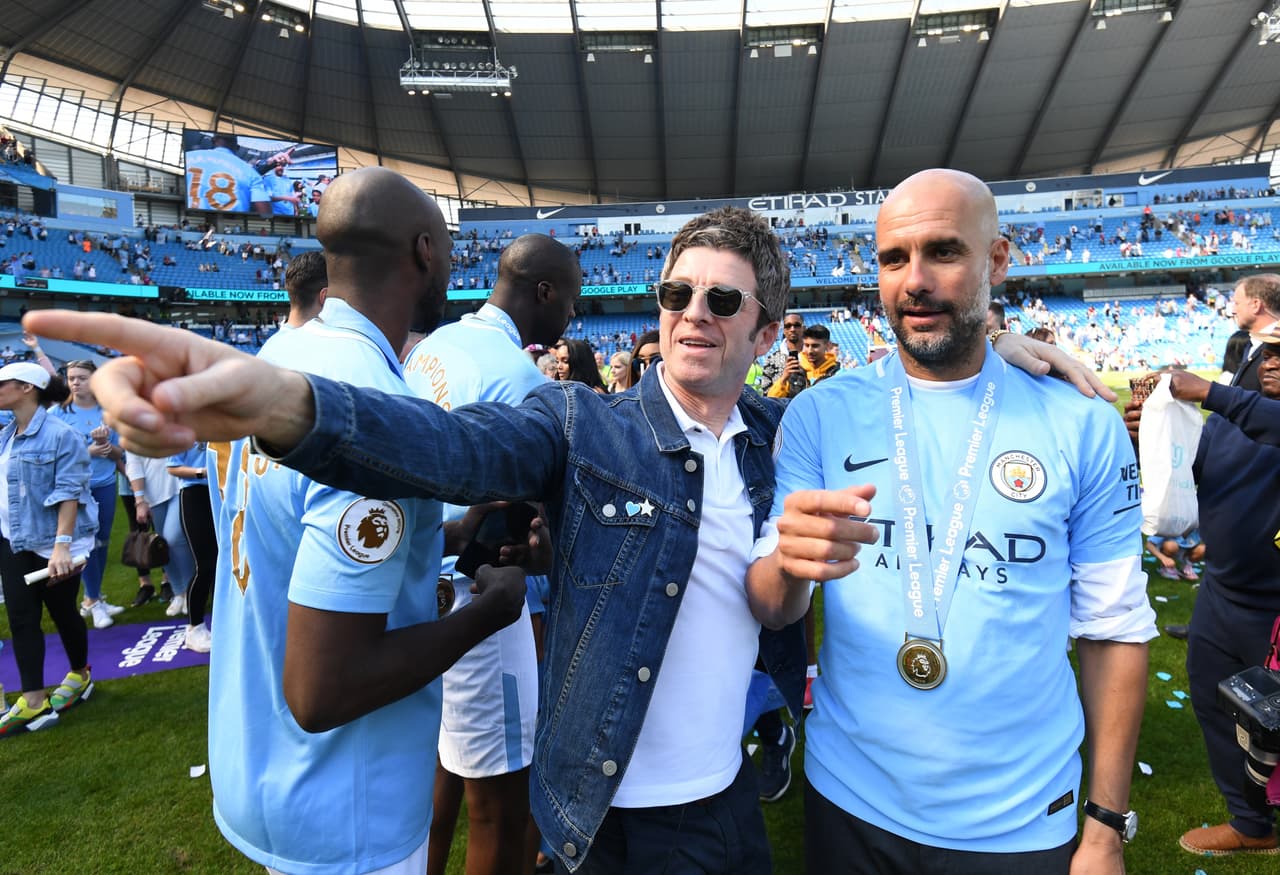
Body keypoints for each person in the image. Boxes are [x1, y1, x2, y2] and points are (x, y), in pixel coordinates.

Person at [28, 202, 1114, 872]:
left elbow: (923, 386)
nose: (691, 310)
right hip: (598, 818)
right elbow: (445, 450)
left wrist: (1012, 340)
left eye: (720, 298)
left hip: (726, 810)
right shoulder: (577, 424)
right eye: (672, 290)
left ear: (766, 329)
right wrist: (281, 397)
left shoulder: (796, 432)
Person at [746, 169, 1156, 874]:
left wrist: (1106, 827)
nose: (915, 280)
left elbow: (1114, 629)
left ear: (997, 259)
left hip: (1022, 819)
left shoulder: (1081, 422)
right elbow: (773, 607)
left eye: (943, 251)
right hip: (849, 801)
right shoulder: (820, 414)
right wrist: (787, 560)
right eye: (893, 259)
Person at [219, 167, 530, 874]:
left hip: (266, 771)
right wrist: (489, 612)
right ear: (424, 251)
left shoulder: (280, 359)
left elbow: (291, 541)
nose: (454, 265)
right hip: (347, 801)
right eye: (448, 248)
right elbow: (326, 685)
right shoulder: (373, 412)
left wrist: (442, 536)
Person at [403, 233, 580, 875]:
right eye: (572, 296)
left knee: (449, 767)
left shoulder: (439, 344)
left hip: (421, 581)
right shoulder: (519, 379)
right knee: (501, 811)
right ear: (544, 291)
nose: (572, 314)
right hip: (482, 599)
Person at [1124, 335, 1280, 856]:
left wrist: (1213, 394)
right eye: (1270, 354)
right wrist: (1143, 435)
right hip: (1223, 592)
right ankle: (1250, 823)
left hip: (1274, 605)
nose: (1275, 363)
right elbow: (1187, 477)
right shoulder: (1229, 417)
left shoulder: (1234, 404)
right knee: (1218, 702)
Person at [0, 362, 99, 737]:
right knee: (21, 618)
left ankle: (80, 673)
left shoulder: (61, 435)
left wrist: (61, 546)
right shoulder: (6, 434)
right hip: (13, 541)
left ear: (27, 388)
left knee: (63, 613)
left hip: (53, 543)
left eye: (3, 383)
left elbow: (69, 491)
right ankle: (35, 700)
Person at [49, 359, 125, 628]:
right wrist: (88, 451)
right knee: (85, 544)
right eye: (71, 378)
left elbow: (119, 453)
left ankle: (94, 598)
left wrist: (105, 444)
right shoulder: (58, 413)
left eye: (81, 377)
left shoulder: (108, 411)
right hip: (75, 490)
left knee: (102, 542)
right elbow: (52, 456)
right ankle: (92, 600)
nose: (75, 382)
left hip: (104, 484)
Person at [166, 443, 216, 652]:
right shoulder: (184, 429)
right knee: (205, 564)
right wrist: (202, 472)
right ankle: (194, 627)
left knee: (226, 562)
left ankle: (226, 621)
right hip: (195, 495)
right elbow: (172, 467)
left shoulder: (225, 420)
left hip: (224, 494)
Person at [184, 134, 271, 217]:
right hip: (231, 220)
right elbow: (264, 212)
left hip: (191, 215)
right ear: (237, 148)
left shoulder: (188, 157)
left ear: (213, 141)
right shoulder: (251, 172)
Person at [1227, 275, 1280, 390]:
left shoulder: (1275, 347)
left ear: (1256, 305)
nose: (1233, 311)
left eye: (1237, 303)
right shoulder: (1253, 344)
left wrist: (1209, 392)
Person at [766, 324, 839, 399]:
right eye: (807, 345)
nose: (810, 351)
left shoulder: (837, 373)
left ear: (827, 345)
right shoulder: (794, 372)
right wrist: (783, 379)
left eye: (815, 346)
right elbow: (773, 401)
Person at [760, 311, 804, 393]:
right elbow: (766, 394)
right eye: (788, 326)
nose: (792, 329)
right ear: (783, 330)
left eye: (797, 325)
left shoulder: (813, 357)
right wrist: (784, 378)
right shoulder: (772, 360)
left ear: (804, 328)